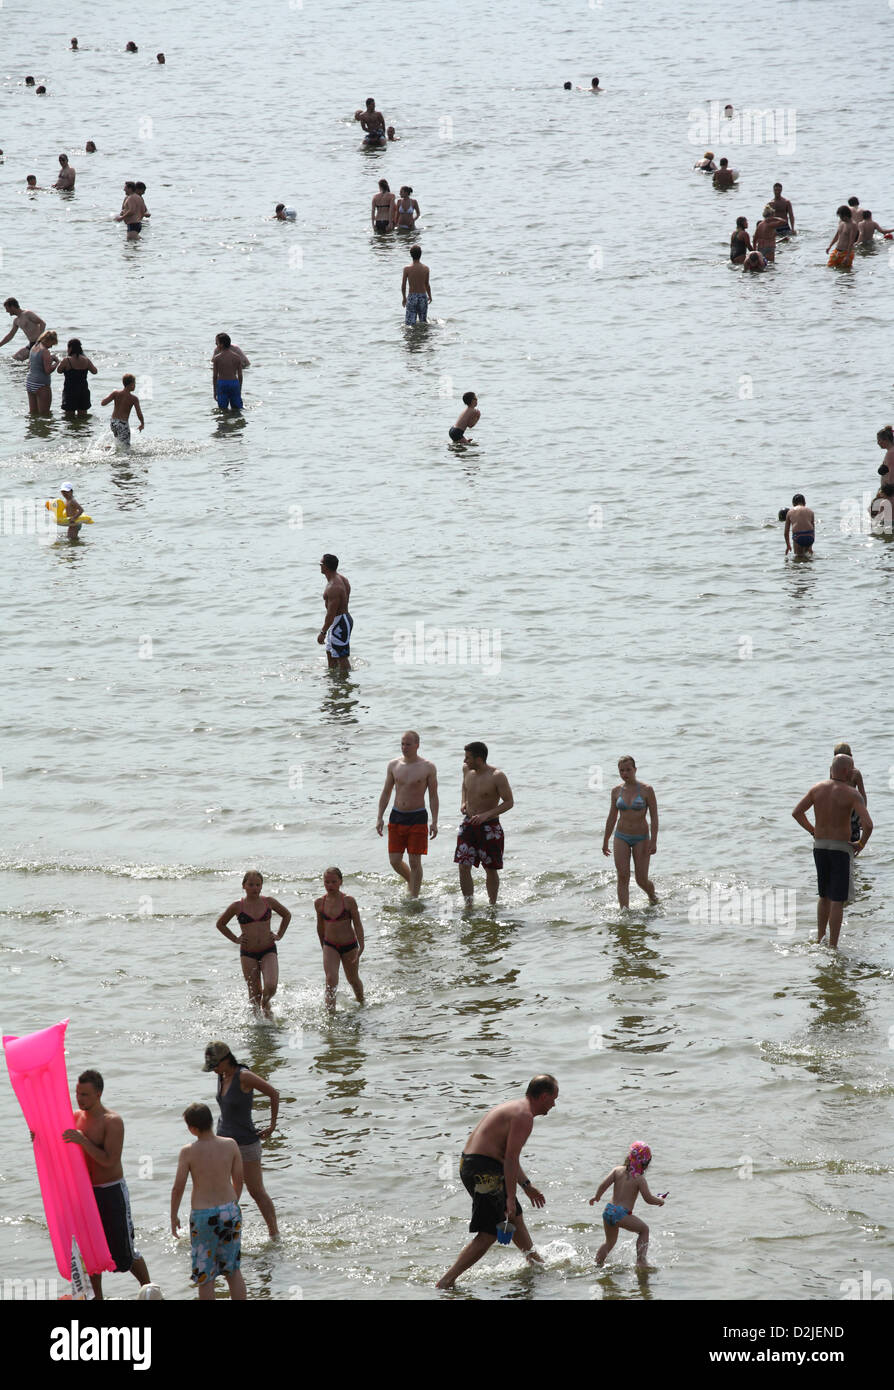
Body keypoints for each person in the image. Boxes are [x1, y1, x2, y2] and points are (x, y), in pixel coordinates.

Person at [436, 1076, 557, 1289]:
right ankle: (446, 1281)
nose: (554, 1104)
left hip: (477, 1165)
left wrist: (526, 1186)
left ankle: (536, 1264)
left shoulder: (518, 1108)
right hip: (482, 1171)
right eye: (553, 1099)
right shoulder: (524, 1116)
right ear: (544, 1096)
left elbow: (505, 1157)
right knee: (489, 1233)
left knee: (514, 1217)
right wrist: (510, 1197)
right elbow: (510, 1158)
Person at [61, 1069, 151, 1299]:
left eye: (85, 1095)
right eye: (77, 1093)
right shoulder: (75, 1117)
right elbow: (55, 1139)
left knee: (124, 1250)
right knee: (89, 1250)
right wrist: (37, 1136)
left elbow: (110, 1160)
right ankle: (97, 1297)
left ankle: (149, 1289)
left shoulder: (112, 1121)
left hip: (111, 1190)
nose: (79, 1099)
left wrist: (83, 1141)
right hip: (86, 1193)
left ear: (99, 1094)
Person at [792, 754, 873, 948]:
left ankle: (820, 938)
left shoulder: (816, 788)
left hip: (819, 846)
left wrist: (813, 831)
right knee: (837, 900)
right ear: (846, 771)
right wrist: (860, 844)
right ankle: (833, 947)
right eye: (852, 768)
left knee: (824, 896)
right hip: (840, 848)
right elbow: (868, 825)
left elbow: (796, 813)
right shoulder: (852, 794)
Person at [202, 1042, 279, 1239]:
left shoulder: (243, 1076)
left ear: (226, 1060)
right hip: (222, 1142)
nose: (214, 1071)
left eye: (215, 1066)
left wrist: (272, 1126)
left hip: (245, 1143)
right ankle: (232, 1233)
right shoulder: (221, 1075)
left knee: (256, 1191)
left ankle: (274, 1233)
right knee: (226, 1192)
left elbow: (273, 1093)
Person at [170, 1103, 246, 1301]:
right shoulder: (231, 1144)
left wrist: (173, 1216)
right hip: (229, 1210)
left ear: (192, 1128)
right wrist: (231, 1205)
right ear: (212, 1121)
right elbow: (239, 1180)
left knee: (206, 1276)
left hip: (203, 1215)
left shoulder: (188, 1152)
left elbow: (178, 1188)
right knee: (233, 1271)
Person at [215, 869, 291, 1016]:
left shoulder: (268, 902)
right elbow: (220, 924)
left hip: (268, 949)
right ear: (243, 886)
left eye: (258, 885)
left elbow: (286, 915)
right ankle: (259, 1027)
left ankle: (266, 1002)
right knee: (254, 994)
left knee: (271, 985)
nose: (254, 888)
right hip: (248, 953)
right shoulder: (237, 906)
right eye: (251, 885)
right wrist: (235, 939)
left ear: (262, 886)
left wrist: (280, 934)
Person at [377, 731, 439, 896]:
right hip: (397, 815)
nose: (404, 747)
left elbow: (433, 796)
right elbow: (386, 792)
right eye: (402, 744)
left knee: (414, 861)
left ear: (417, 745)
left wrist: (434, 821)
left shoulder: (428, 767)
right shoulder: (393, 765)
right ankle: (413, 882)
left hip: (417, 817)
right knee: (395, 861)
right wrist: (379, 817)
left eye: (408, 744)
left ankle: (414, 896)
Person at [454, 742, 514, 905]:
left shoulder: (497, 776)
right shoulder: (466, 770)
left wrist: (486, 815)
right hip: (468, 824)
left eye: (468, 757)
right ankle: (469, 904)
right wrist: (463, 802)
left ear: (479, 759)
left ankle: (492, 904)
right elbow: (464, 787)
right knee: (463, 866)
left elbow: (509, 802)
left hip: (490, 828)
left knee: (491, 869)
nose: (464, 761)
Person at [589, 1142, 664, 1269]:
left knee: (609, 1242)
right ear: (645, 1164)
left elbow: (603, 1185)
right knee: (644, 1230)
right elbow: (648, 1199)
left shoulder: (617, 1170)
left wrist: (597, 1197)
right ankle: (641, 1261)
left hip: (608, 1211)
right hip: (621, 1214)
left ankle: (596, 1264)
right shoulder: (639, 1179)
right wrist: (660, 1200)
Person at [602, 755, 658, 906]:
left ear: (635, 770)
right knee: (622, 876)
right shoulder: (616, 791)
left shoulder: (647, 790)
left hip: (641, 838)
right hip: (621, 837)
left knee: (641, 880)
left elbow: (654, 817)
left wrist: (654, 841)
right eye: (621, 770)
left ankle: (652, 896)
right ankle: (624, 913)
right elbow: (612, 817)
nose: (625, 773)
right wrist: (606, 839)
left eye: (628, 770)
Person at [314, 867, 365, 1011]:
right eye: (326, 882)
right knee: (330, 979)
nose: (330, 885)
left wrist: (361, 946)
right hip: (330, 946)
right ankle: (330, 1014)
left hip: (349, 945)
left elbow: (358, 924)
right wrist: (323, 946)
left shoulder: (348, 901)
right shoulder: (319, 903)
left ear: (340, 882)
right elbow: (320, 927)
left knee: (353, 980)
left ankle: (362, 1003)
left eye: (333, 882)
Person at [317, 554, 352, 673]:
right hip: (339, 621)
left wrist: (323, 632)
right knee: (330, 651)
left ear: (326, 567)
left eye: (321, 564)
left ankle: (345, 682)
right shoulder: (341, 579)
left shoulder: (334, 587)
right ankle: (334, 681)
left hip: (340, 622)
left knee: (342, 657)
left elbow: (331, 614)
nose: (320, 566)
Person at [832, 742, 867, 846]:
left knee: (853, 836)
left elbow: (862, 795)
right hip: (838, 807)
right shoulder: (832, 770)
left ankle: (852, 856)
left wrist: (862, 816)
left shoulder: (855, 773)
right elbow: (831, 790)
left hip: (853, 810)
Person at [56, 337, 97, 414]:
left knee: (69, 416)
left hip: (70, 391)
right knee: (83, 415)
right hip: (83, 391)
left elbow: (59, 371)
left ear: (70, 348)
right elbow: (95, 371)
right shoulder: (86, 360)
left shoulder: (67, 360)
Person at [101, 374, 144, 446]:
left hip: (113, 422)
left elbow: (103, 403)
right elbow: (139, 413)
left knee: (118, 443)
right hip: (122, 424)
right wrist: (142, 423)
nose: (135, 385)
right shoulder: (134, 398)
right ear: (131, 384)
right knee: (126, 446)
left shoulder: (116, 393)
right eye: (134, 383)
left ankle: (106, 448)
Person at [25, 330, 59, 415]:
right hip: (41, 385)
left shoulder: (34, 347)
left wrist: (49, 359)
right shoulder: (45, 351)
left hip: (30, 382)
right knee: (45, 415)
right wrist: (57, 363)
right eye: (52, 344)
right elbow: (48, 371)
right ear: (48, 340)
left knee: (33, 414)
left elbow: (32, 364)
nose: (51, 347)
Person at [211, 333, 245, 411]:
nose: (216, 345)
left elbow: (215, 376)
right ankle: (237, 421)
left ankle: (224, 422)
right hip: (234, 383)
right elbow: (240, 375)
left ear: (222, 344)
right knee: (237, 409)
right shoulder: (237, 357)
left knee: (223, 409)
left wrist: (215, 391)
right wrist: (239, 389)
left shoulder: (217, 358)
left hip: (222, 384)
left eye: (217, 343)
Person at [401, 244, 431, 325]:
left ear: (411, 254)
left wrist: (404, 298)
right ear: (420, 254)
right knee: (423, 322)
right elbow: (427, 284)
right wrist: (430, 296)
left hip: (412, 297)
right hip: (422, 297)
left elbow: (403, 286)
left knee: (409, 324)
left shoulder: (407, 269)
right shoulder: (426, 268)